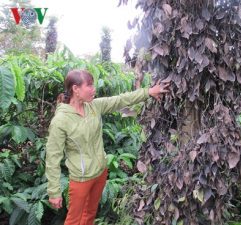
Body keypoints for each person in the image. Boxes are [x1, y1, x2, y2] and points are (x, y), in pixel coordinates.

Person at [45, 69, 169, 225]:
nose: (94, 89)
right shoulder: (61, 120)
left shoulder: (93, 106)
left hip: (100, 172)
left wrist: (149, 91)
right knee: (74, 220)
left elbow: (120, 100)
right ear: (75, 89)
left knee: (90, 214)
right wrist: (54, 191)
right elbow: (52, 157)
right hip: (81, 179)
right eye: (89, 85)